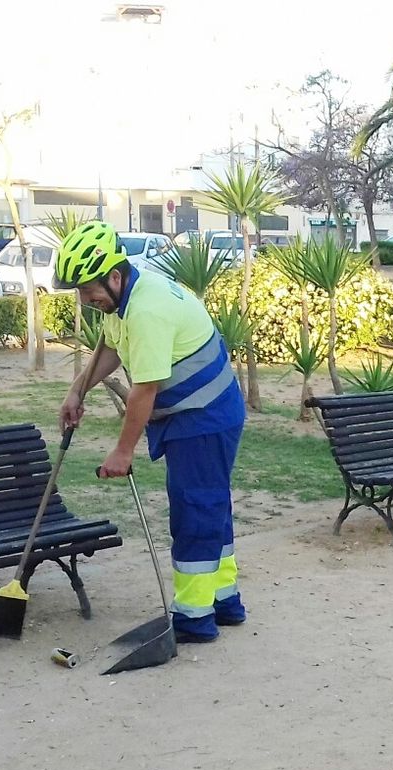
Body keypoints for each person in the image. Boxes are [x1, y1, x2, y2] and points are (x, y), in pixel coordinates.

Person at [55, 221, 246, 643]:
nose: (87, 300)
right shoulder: (125, 300)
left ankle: (196, 618)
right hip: (197, 415)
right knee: (209, 503)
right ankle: (223, 601)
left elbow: (144, 390)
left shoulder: (146, 310)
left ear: (115, 275)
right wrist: (77, 390)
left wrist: (123, 452)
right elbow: (110, 346)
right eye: (82, 293)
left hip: (205, 417)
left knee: (196, 509)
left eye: (89, 290)